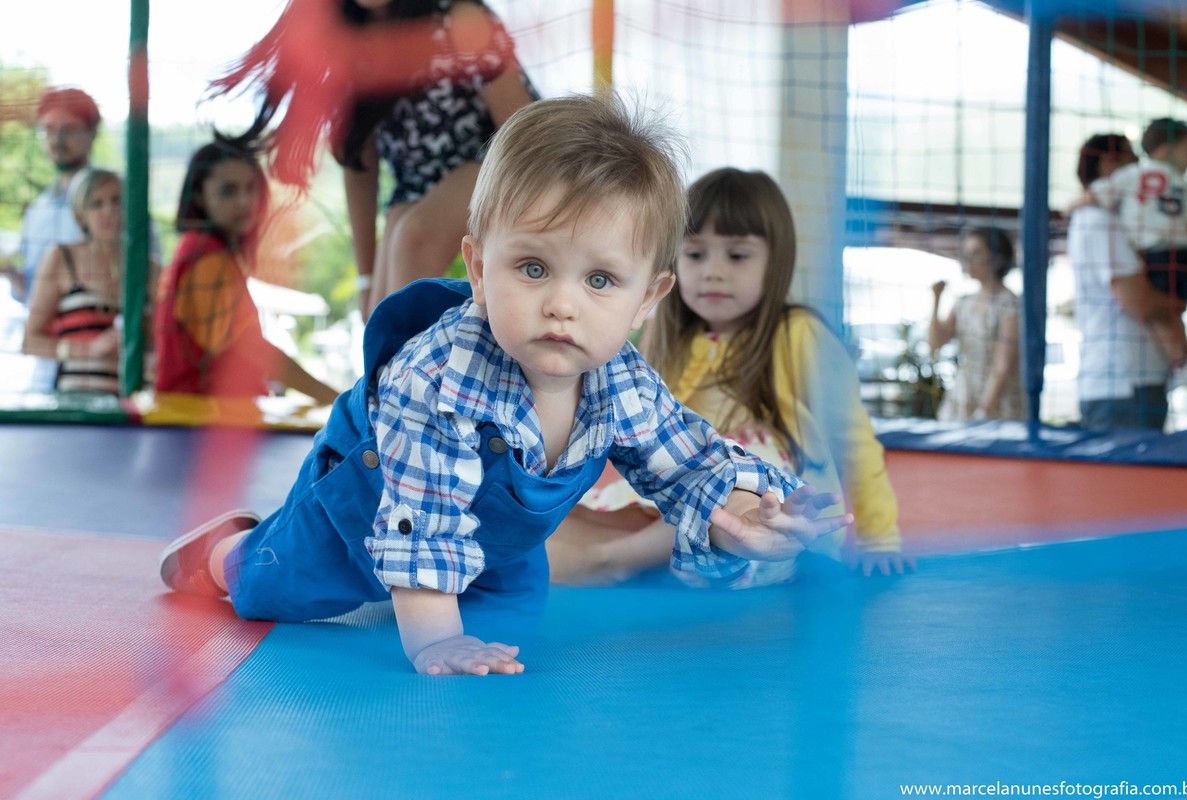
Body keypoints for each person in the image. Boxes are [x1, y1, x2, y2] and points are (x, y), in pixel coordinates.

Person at [156, 95, 854, 676]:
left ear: (648, 299)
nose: (562, 304)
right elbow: (421, 513)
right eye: (531, 268)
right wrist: (433, 636)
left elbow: (691, 461)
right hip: (368, 498)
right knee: (275, 588)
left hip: (499, 547)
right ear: (479, 267)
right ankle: (227, 548)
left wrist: (746, 515)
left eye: (601, 280)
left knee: (508, 635)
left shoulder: (620, 381)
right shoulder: (438, 376)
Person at [546, 168, 909, 586]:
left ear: (775, 261)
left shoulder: (800, 335)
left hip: (769, 514)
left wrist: (880, 539)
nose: (713, 271)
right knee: (560, 518)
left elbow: (855, 442)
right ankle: (622, 554)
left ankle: (614, 559)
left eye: (737, 256)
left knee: (725, 489)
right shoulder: (671, 338)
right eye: (696, 254)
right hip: (685, 501)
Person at [209, 0, 537, 315]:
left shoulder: (461, 19)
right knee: (383, 305)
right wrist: (365, 282)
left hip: (500, 163)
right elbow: (358, 164)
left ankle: (414, 368)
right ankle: (395, 369)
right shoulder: (348, 41)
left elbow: (525, 137)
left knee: (412, 236)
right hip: (416, 190)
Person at [153, 137, 339, 403]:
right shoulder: (206, 256)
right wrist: (339, 400)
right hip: (199, 424)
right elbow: (254, 350)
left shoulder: (198, 248)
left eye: (252, 188)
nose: (245, 201)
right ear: (199, 196)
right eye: (228, 191)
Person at [1082, 118, 1187, 387]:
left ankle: (1181, 360)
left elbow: (1096, 194)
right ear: (1168, 149)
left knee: (1166, 313)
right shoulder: (1185, 184)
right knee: (1171, 309)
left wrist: (1072, 205)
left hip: (1155, 254)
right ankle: (1183, 359)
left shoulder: (1132, 178)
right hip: (1184, 256)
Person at [1069, 133, 1173, 432]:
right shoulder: (1096, 220)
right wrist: (1176, 305)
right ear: (1109, 162)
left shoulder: (1108, 218)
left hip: (1133, 382)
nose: (1139, 167)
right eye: (1132, 158)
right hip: (1122, 385)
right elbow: (1138, 302)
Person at [12, 88, 100, 391]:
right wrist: (13, 277)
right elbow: (34, 294)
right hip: (44, 372)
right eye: (48, 130)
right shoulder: (38, 209)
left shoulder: (115, 203)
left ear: (91, 134)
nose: (57, 140)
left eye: (68, 129)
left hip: (99, 372)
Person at [21, 170, 138, 394]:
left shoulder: (147, 267)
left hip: (131, 410)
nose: (109, 212)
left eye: (116, 201)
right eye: (97, 204)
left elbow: (161, 346)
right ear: (80, 213)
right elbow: (29, 341)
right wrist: (89, 349)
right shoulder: (61, 258)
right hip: (75, 408)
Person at [928, 226, 1025, 422]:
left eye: (976, 253)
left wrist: (984, 410)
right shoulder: (964, 302)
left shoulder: (1010, 304)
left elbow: (1003, 364)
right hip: (964, 395)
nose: (968, 260)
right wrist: (936, 299)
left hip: (998, 400)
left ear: (997, 258)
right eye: (966, 254)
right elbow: (935, 344)